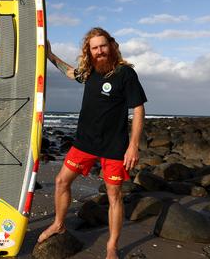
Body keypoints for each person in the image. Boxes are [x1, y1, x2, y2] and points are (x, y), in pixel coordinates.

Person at [39, 27, 147, 259]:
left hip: (114, 146)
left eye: (103, 46)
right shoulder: (89, 72)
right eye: (94, 48)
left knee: (114, 195)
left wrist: (133, 145)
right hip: (85, 143)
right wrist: (50, 55)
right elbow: (70, 72)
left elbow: (138, 109)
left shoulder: (125, 74)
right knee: (60, 182)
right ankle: (59, 224)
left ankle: (111, 247)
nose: (100, 51)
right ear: (89, 51)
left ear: (111, 45)